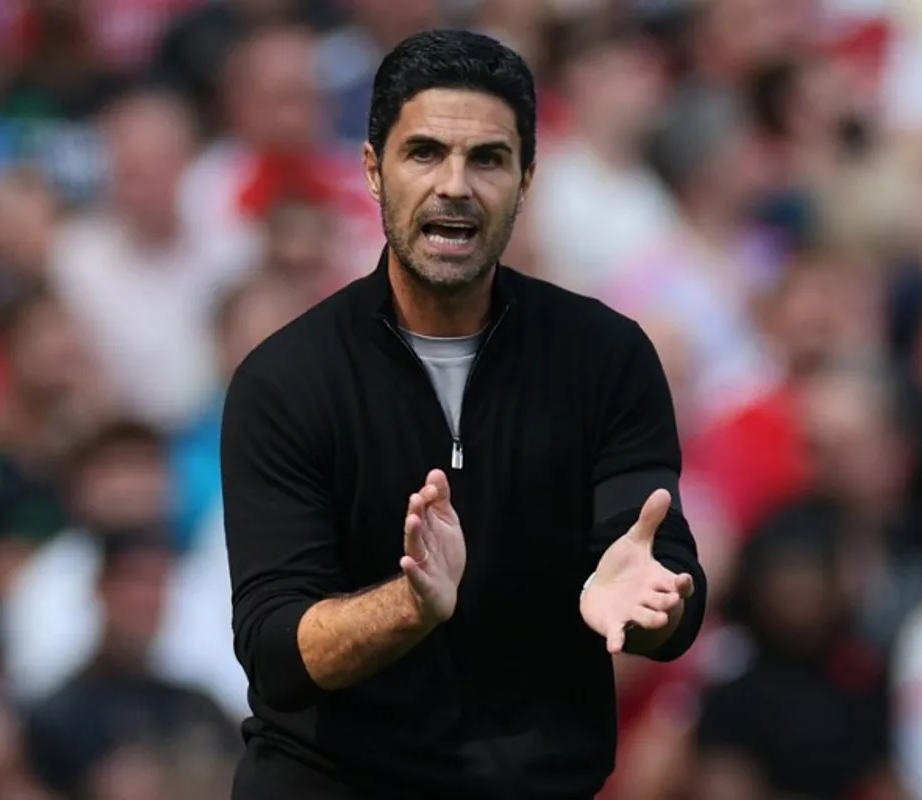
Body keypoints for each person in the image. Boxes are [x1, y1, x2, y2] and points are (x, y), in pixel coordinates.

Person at [220, 29, 708, 800]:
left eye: (487, 158)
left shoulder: (606, 357)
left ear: (526, 179)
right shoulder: (286, 381)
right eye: (424, 154)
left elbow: (661, 576)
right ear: (373, 171)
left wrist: (647, 603)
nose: (455, 185)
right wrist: (412, 605)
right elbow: (278, 649)